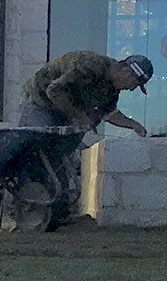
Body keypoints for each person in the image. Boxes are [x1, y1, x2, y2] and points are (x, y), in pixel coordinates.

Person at [19, 49, 154, 222]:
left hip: (63, 108)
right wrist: (77, 117)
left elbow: (109, 113)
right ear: (126, 72)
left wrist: (133, 125)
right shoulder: (88, 66)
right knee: (37, 152)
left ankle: (58, 212)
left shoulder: (112, 88)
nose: (132, 89)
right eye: (134, 84)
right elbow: (54, 90)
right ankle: (27, 206)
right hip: (40, 101)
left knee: (59, 156)